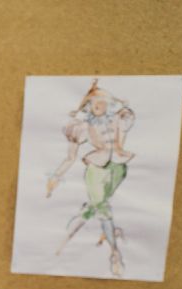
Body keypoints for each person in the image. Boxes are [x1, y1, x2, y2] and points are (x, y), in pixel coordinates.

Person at [46, 79, 135, 277]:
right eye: (95, 103)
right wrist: (56, 177)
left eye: (103, 102)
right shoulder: (82, 126)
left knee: (94, 208)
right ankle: (115, 254)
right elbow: (70, 157)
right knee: (103, 208)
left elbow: (121, 138)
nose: (99, 105)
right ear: (88, 106)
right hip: (97, 171)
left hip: (118, 170)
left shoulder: (118, 119)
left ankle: (64, 240)